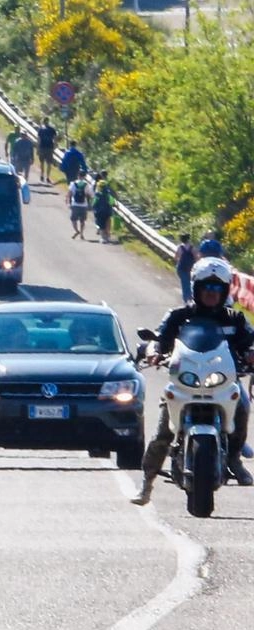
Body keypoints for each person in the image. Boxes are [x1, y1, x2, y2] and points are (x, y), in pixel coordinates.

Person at [132, 257, 254, 505]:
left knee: (242, 406)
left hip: (222, 381)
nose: (212, 293)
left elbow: (249, 342)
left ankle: (233, 458)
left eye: (217, 288)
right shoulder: (179, 316)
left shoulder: (235, 319)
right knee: (162, 433)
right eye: (207, 287)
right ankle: (147, 483)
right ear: (196, 288)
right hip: (184, 382)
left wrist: (251, 352)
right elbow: (161, 337)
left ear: (225, 290)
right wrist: (154, 351)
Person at [67, 173, 91, 240]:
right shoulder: (86, 184)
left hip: (75, 204)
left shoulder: (73, 183)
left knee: (73, 219)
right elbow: (90, 194)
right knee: (82, 221)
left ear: (78, 176)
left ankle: (77, 231)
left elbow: (69, 194)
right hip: (84, 205)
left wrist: (68, 203)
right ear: (84, 177)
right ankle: (81, 234)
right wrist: (89, 204)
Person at [92, 176, 115, 244]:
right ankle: (107, 237)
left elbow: (93, 203)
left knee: (101, 225)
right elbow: (112, 202)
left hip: (99, 212)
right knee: (107, 224)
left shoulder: (97, 195)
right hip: (108, 212)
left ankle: (103, 238)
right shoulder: (108, 195)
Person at [175, 233, 195, 303]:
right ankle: (190, 298)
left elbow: (176, 257)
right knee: (189, 283)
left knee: (184, 284)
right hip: (189, 268)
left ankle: (186, 300)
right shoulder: (192, 248)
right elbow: (196, 257)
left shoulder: (180, 247)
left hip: (181, 268)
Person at [36, 118, 57, 183]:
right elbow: (55, 139)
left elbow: (39, 139)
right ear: (48, 122)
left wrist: (38, 148)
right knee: (49, 163)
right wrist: (54, 147)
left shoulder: (41, 129)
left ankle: (42, 175)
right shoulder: (52, 129)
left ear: (43, 122)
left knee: (42, 162)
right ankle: (48, 177)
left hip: (42, 147)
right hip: (49, 147)